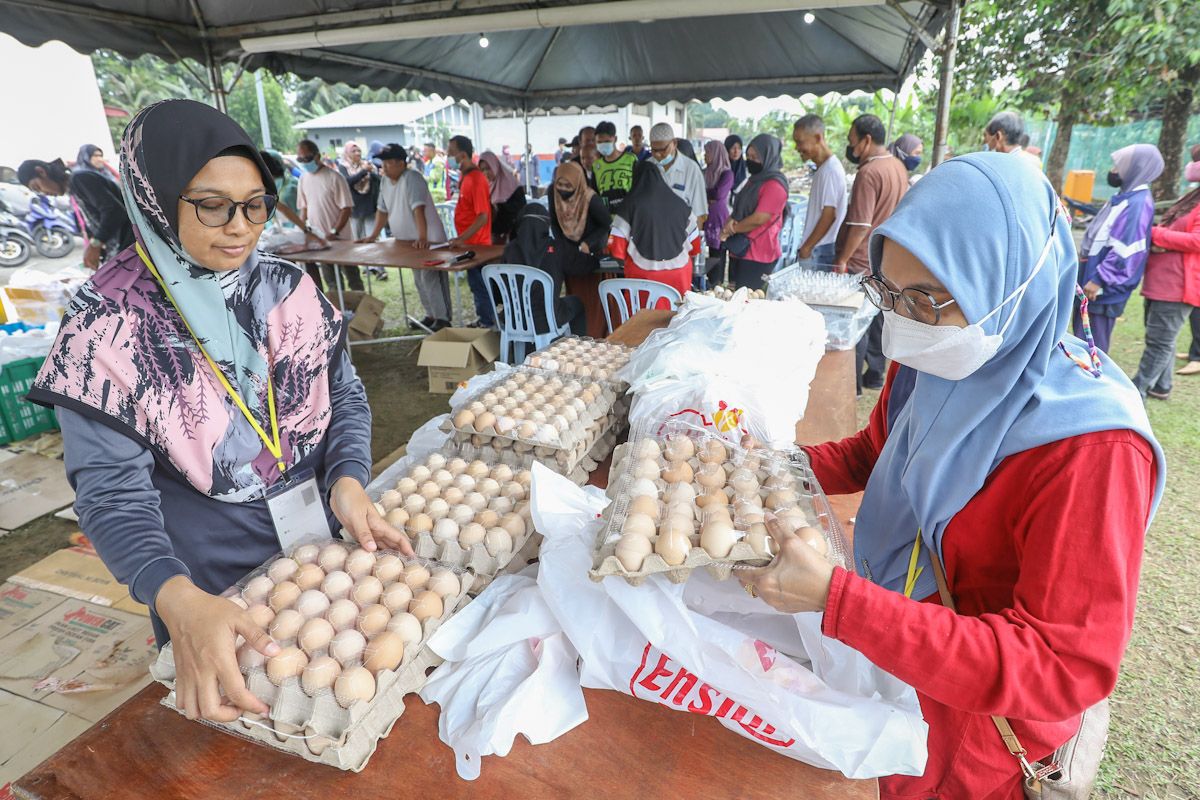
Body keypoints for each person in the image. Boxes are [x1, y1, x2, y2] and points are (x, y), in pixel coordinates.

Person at [737, 151, 1164, 800]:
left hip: (980, 726)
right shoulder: (934, 360)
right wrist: (772, 466)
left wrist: (840, 601)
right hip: (899, 642)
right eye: (890, 293)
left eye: (930, 300)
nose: (901, 325)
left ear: (1010, 287)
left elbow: (1057, 666)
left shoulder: (1089, 448)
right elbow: (874, 453)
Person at [27, 99, 411, 724]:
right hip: (202, 571)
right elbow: (111, 493)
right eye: (211, 204)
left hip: (315, 537)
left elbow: (341, 395)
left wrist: (346, 478)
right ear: (156, 198)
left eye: (255, 203)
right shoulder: (109, 328)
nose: (240, 226)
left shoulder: (287, 290)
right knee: (239, 722)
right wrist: (175, 596)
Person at [834, 114, 910, 391]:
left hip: (861, 260)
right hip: (886, 259)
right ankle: (875, 374)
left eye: (851, 141)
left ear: (866, 140)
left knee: (855, 322)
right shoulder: (897, 166)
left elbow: (860, 224)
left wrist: (842, 259)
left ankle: (852, 384)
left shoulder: (868, 172)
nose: (850, 146)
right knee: (878, 319)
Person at [1076, 144, 1163, 353]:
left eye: (1118, 167)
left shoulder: (1137, 204)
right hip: (1090, 277)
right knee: (1081, 340)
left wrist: (1099, 279)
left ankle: (1092, 384)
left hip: (1102, 287)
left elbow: (1127, 248)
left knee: (1092, 344)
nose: (1113, 171)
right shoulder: (1124, 197)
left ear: (1136, 168)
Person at [359, 144, 452, 332]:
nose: (383, 167)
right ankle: (431, 314)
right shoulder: (385, 181)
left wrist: (423, 237)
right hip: (408, 241)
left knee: (430, 278)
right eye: (383, 163)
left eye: (388, 163)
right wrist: (373, 236)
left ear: (401, 163)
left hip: (429, 240)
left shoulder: (412, 177)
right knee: (418, 279)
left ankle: (443, 319)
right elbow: (382, 210)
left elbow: (418, 208)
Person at [1130, 154, 1200, 398]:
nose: (1192, 165)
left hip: (1178, 285)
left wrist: (1156, 235)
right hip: (1161, 280)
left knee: (1159, 342)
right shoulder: (1191, 197)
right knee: (1159, 338)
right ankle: (1161, 386)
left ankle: (1137, 389)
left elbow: (1197, 240)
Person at [19, 156, 134, 269]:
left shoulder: (80, 179)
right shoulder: (73, 189)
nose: (43, 193)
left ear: (41, 172)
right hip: (125, 248)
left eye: (37, 187)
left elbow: (114, 211)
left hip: (133, 245)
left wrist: (96, 244)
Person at [609, 160, 701, 299]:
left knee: (642, 319)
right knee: (678, 318)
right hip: (679, 277)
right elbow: (695, 247)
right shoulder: (682, 205)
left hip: (643, 280)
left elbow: (617, 248)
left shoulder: (628, 206)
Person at [547, 160, 612, 337]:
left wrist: (587, 244)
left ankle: (596, 335)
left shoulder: (590, 198)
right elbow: (554, 221)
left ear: (577, 183)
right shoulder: (552, 193)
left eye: (568, 185)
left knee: (593, 299)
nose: (562, 188)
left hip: (591, 253)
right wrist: (563, 247)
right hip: (570, 255)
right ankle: (578, 336)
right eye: (560, 183)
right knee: (575, 295)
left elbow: (606, 224)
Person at [507, 202, 588, 337]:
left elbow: (498, 291)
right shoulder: (557, 248)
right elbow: (581, 265)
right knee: (576, 302)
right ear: (546, 224)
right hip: (545, 320)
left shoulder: (510, 250)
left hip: (513, 319)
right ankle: (577, 347)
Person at [722, 134, 789, 291]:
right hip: (740, 250)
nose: (750, 161)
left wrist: (732, 229)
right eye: (749, 156)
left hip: (759, 253)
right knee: (734, 294)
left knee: (748, 299)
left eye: (755, 157)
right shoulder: (754, 180)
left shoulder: (774, 185)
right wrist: (728, 223)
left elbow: (760, 218)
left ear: (768, 157)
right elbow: (739, 208)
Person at [295, 138, 361, 293]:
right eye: (300, 159)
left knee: (354, 280)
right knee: (332, 283)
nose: (304, 162)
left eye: (307, 158)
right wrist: (300, 231)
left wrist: (334, 232)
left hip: (341, 240)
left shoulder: (335, 177)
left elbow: (346, 208)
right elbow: (303, 209)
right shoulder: (303, 179)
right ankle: (339, 313)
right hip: (319, 241)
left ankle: (362, 313)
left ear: (317, 156)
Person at [446, 134, 495, 328]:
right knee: (476, 285)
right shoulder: (465, 177)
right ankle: (484, 319)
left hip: (478, 245)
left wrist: (461, 238)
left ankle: (487, 322)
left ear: (463, 155)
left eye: (451, 153)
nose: (448, 157)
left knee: (480, 285)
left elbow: (482, 216)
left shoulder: (475, 179)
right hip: (469, 242)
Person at [792, 114, 847, 268]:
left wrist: (807, 248)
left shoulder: (830, 170)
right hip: (817, 248)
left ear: (818, 137)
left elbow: (829, 215)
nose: (797, 148)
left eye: (800, 142)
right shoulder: (824, 168)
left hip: (819, 250)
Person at [336, 141, 385, 281]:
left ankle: (378, 267)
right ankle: (365, 266)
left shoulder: (367, 164)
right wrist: (364, 172)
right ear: (347, 153)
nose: (357, 154)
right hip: (354, 208)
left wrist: (371, 171)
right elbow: (347, 182)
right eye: (353, 151)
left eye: (359, 151)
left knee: (371, 238)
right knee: (358, 239)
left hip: (369, 206)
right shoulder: (343, 167)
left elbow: (378, 181)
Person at [649, 122, 708, 229]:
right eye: (654, 150)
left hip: (683, 239)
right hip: (653, 235)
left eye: (663, 150)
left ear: (674, 143)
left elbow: (699, 214)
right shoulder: (647, 167)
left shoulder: (691, 170)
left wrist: (695, 242)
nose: (658, 155)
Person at [702, 139, 735, 286]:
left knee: (718, 253)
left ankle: (718, 284)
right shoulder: (705, 172)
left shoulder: (726, 173)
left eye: (707, 152)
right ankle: (711, 283)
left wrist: (707, 194)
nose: (705, 155)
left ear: (715, 154)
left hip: (718, 219)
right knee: (709, 253)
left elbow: (719, 193)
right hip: (706, 218)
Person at [478, 151, 527, 243]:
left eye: (488, 168)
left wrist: (500, 207)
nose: (485, 173)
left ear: (495, 166)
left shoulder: (513, 186)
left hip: (512, 240)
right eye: (482, 170)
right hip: (490, 239)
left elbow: (520, 213)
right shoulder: (486, 187)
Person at [592, 120, 638, 212]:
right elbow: (595, 195)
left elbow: (639, 189)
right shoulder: (596, 166)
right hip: (607, 220)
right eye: (599, 142)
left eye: (607, 141)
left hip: (629, 217)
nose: (603, 145)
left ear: (615, 139)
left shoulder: (631, 159)